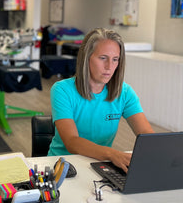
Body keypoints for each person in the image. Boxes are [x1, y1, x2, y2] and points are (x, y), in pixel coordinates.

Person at [48, 27, 154, 172]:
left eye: (115, 59)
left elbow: (148, 136)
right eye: (103, 58)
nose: (109, 67)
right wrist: (112, 154)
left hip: (100, 164)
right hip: (63, 166)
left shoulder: (124, 92)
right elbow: (72, 142)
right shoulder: (62, 90)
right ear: (87, 58)